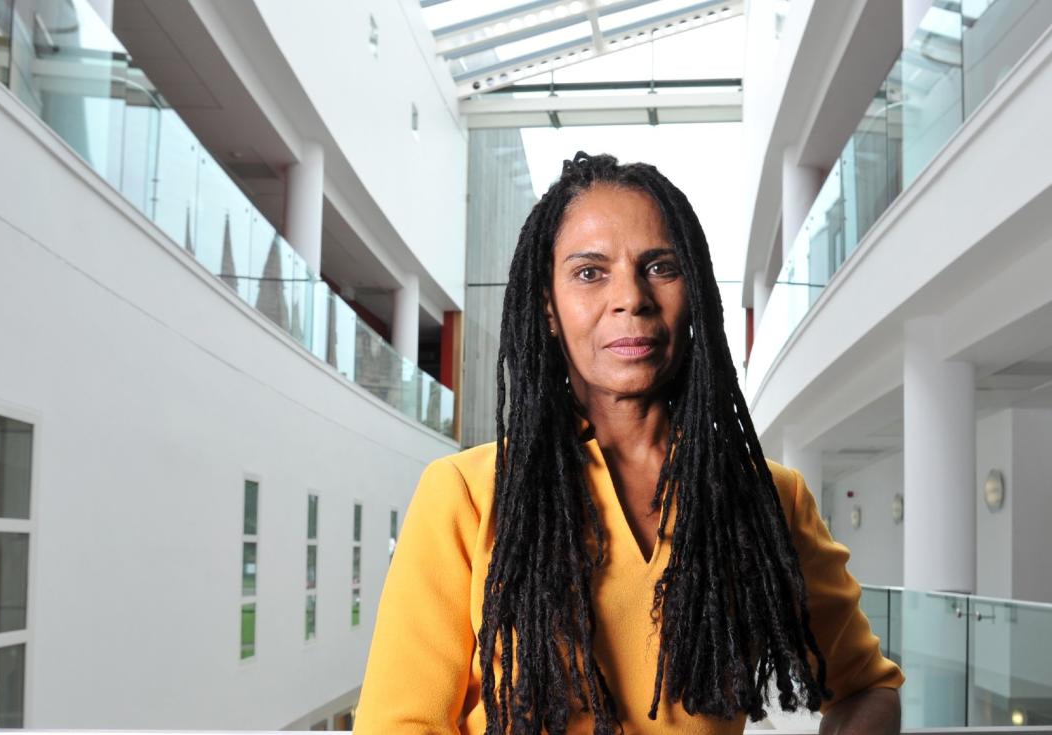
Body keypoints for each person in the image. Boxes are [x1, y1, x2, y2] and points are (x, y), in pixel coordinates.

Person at [353, 152, 903, 734]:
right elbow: (399, 725)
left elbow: (867, 687)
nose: (631, 298)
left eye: (660, 267)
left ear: (693, 292)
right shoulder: (465, 496)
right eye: (590, 273)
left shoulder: (768, 499)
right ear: (548, 306)